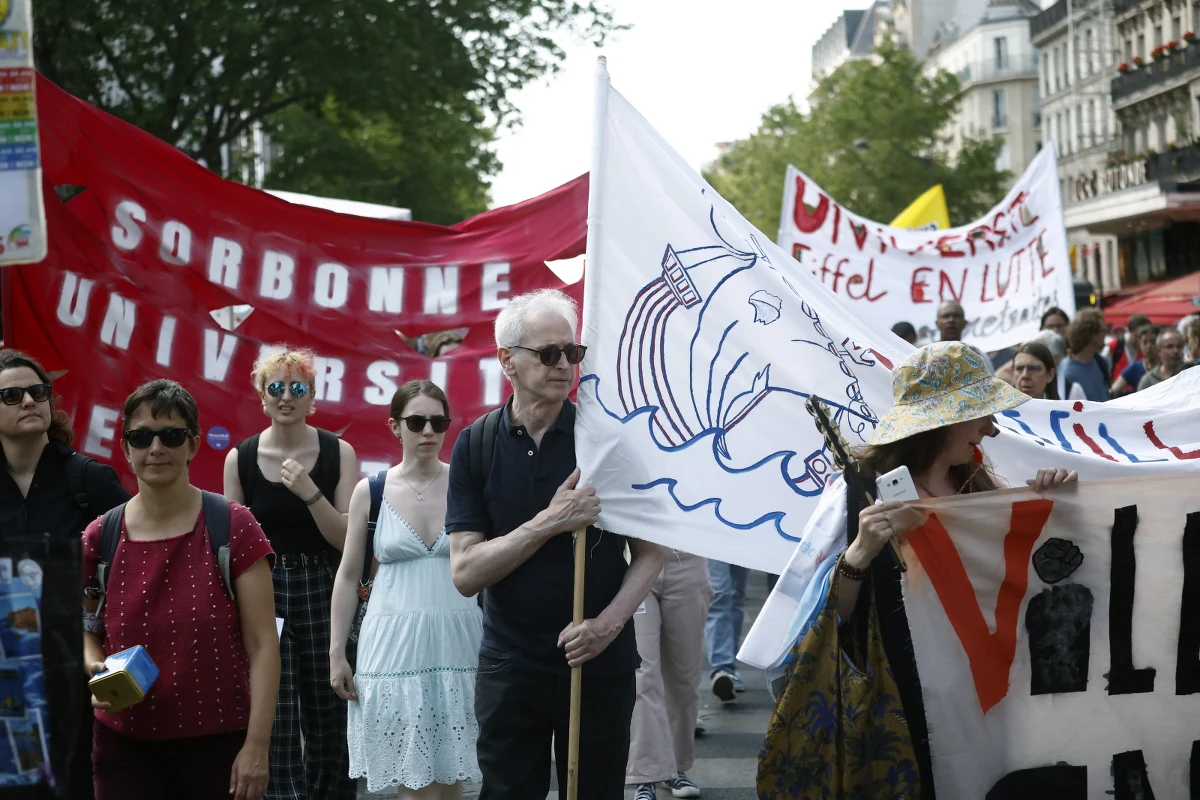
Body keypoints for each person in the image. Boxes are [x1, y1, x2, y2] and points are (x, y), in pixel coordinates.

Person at [756, 342, 1076, 796]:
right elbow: (818, 626)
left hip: (977, 703)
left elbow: (1019, 581)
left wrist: (1058, 505)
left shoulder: (977, 487)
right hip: (898, 704)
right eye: (981, 412)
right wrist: (859, 554)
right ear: (943, 420)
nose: (991, 426)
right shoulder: (855, 494)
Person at [445, 289, 663, 799]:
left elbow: (650, 553)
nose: (564, 364)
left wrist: (607, 627)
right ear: (507, 361)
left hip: (597, 663)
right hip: (510, 664)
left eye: (572, 351)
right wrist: (548, 522)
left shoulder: (606, 443)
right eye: (548, 353)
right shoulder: (476, 444)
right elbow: (465, 574)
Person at [82, 380, 279, 800]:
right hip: (123, 747)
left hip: (219, 744)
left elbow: (264, 644)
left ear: (192, 445)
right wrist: (94, 664)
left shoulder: (234, 526)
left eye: (171, 435)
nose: (156, 448)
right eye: (141, 437)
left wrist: (257, 746)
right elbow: (85, 625)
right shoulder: (100, 535)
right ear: (125, 447)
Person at [330, 381, 483, 798]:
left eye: (438, 422)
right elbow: (348, 575)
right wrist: (337, 653)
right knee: (412, 784)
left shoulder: (467, 484)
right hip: (393, 647)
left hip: (459, 642)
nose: (428, 431)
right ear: (395, 426)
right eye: (416, 422)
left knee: (453, 782)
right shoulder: (371, 491)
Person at [223, 348, 359, 800]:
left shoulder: (338, 452)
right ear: (262, 396)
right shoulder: (241, 459)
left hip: (323, 586)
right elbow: (234, 548)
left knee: (330, 711)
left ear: (312, 396)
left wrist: (309, 491)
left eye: (297, 388)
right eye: (276, 388)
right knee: (274, 714)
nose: (286, 397)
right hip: (265, 589)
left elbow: (346, 539)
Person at [0, 350, 130, 799]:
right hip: (7, 678)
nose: (28, 402)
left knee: (78, 784)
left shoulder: (88, 480)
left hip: (78, 672)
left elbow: (137, 561)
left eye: (38, 392)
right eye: (11, 395)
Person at [627, 549, 711, 800]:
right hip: (636, 561)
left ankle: (676, 767)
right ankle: (646, 774)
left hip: (688, 562)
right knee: (643, 676)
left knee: (684, 680)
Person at [705, 561, 747, 702]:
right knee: (719, 592)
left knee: (737, 594)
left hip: (746, 545)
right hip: (714, 545)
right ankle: (722, 667)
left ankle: (730, 670)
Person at [1060, 309, 1111, 402]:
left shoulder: (1101, 362)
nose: (1105, 334)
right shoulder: (1066, 371)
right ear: (1092, 335)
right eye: (1103, 330)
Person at [1111, 325, 1160, 396]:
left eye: (1153, 342)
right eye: (1145, 342)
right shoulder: (1134, 368)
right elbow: (1113, 390)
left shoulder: (1167, 367)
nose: (1149, 346)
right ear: (1140, 345)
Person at [1107, 314, 1150, 380]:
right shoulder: (1114, 346)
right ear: (1130, 331)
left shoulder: (1145, 350)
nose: (1140, 341)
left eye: (1143, 339)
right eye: (1138, 336)